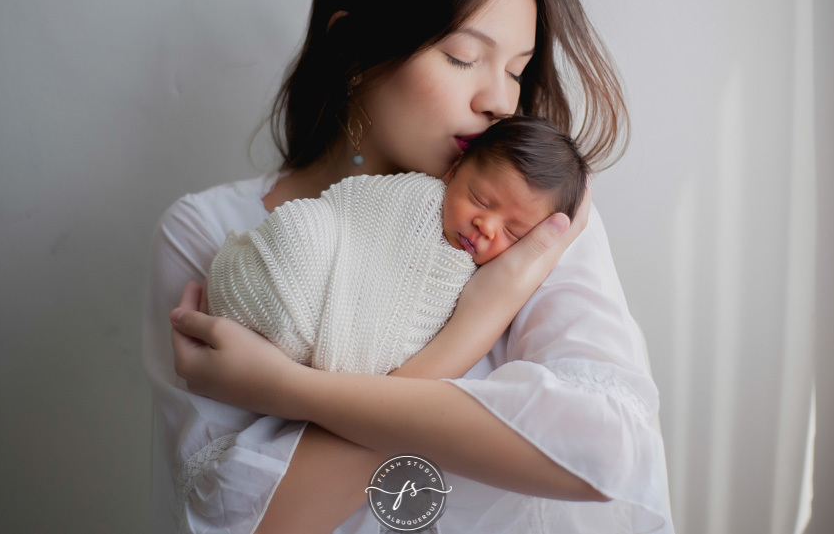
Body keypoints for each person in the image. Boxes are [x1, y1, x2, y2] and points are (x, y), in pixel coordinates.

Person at [144, 0, 674, 534]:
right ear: (355, 52)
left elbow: (605, 453)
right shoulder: (213, 232)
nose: (499, 103)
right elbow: (251, 523)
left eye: (516, 70)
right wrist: (465, 336)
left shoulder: (532, 218)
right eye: (462, 57)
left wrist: (287, 389)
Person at [206, 115, 590, 377]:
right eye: (480, 200)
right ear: (453, 172)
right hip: (296, 263)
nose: (486, 226)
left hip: (302, 349)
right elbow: (345, 220)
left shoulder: (496, 280)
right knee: (300, 233)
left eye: (514, 233)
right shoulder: (416, 199)